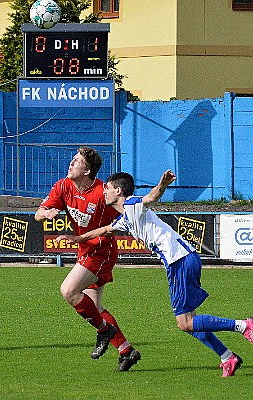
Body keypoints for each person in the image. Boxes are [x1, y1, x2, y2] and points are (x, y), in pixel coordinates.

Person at [56, 169, 253, 378]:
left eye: (107, 188)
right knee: (190, 322)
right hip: (181, 260)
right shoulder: (126, 217)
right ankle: (226, 357)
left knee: (185, 323)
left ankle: (243, 325)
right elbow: (104, 230)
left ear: (119, 191)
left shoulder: (132, 204)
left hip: (180, 261)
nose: (104, 191)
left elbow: (151, 197)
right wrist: (77, 239)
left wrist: (163, 184)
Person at [35, 146, 141, 372]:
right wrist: (47, 213)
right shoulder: (64, 186)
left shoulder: (104, 191)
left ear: (87, 170)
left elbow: (128, 210)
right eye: (72, 159)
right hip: (84, 252)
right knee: (93, 306)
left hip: (102, 252)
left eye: (77, 161)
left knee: (69, 290)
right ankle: (126, 350)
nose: (71, 163)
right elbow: (38, 213)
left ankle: (104, 331)